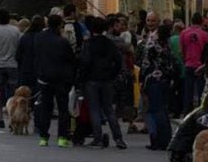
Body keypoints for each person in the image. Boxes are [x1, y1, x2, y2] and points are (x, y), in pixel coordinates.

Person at [78, 15, 127, 149]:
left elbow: (85, 62)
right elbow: (118, 61)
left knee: (94, 109)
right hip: (107, 79)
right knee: (109, 109)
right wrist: (113, 74)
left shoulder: (88, 44)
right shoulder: (109, 43)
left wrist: (81, 78)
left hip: (92, 79)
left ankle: (97, 137)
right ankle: (118, 138)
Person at [33, 13, 76, 148]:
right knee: (63, 108)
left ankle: (43, 137)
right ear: (59, 26)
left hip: (44, 77)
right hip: (61, 79)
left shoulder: (39, 38)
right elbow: (71, 59)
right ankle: (62, 137)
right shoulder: (62, 42)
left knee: (46, 107)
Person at [137, 24, 178, 150]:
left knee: (153, 110)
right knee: (162, 110)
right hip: (165, 80)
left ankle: (156, 139)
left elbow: (145, 63)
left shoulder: (152, 45)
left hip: (153, 79)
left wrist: (142, 80)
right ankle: (165, 138)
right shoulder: (167, 46)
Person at [0, 8, 21, 129]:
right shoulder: (16, 30)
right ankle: (13, 118)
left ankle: (0, 119)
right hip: (13, 64)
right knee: (13, 94)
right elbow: (20, 46)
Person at [179, 12, 208, 114]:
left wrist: (185, 60)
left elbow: (181, 50)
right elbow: (207, 50)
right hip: (201, 65)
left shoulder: (183, 33)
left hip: (188, 64)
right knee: (201, 91)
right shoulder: (205, 34)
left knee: (188, 90)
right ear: (201, 21)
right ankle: (201, 111)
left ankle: (187, 111)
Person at [16, 15, 44, 89]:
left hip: (26, 70)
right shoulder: (43, 38)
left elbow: (18, 55)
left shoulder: (25, 37)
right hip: (40, 71)